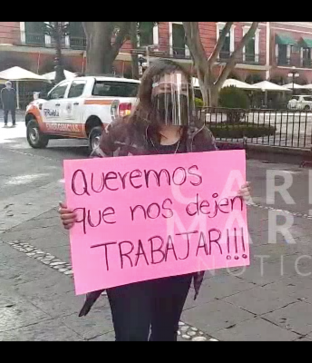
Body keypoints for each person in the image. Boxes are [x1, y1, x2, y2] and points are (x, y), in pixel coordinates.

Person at [57, 59, 251, 341]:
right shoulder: (121, 132)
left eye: (182, 88)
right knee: (131, 333)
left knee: (165, 331)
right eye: (167, 87)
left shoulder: (198, 136)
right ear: (149, 91)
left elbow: (219, 186)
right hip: (126, 259)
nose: (175, 93)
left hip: (178, 256)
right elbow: (88, 187)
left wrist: (238, 193)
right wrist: (72, 213)